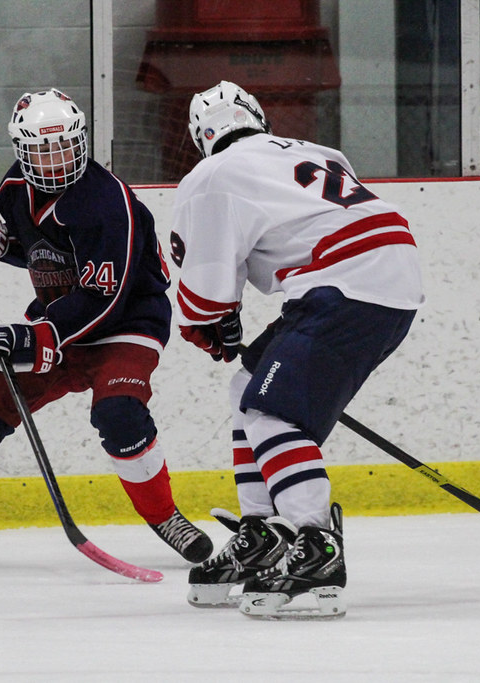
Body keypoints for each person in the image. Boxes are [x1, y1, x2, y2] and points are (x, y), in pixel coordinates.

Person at [0, 88, 212, 569]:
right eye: (42, 150)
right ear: (21, 151)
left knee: (119, 414)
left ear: (82, 142)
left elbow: (104, 297)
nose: (55, 159)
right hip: (58, 318)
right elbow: (39, 252)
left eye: (65, 146)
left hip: (126, 324)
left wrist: (38, 336)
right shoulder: (14, 190)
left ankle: (166, 517)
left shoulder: (107, 204)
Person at [170, 81, 424, 619]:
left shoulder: (213, 174)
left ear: (200, 137)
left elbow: (207, 288)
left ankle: (317, 547)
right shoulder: (316, 153)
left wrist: (209, 320)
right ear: (257, 118)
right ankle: (263, 534)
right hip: (381, 274)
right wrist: (228, 323)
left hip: (346, 282)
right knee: (248, 387)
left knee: (272, 411)